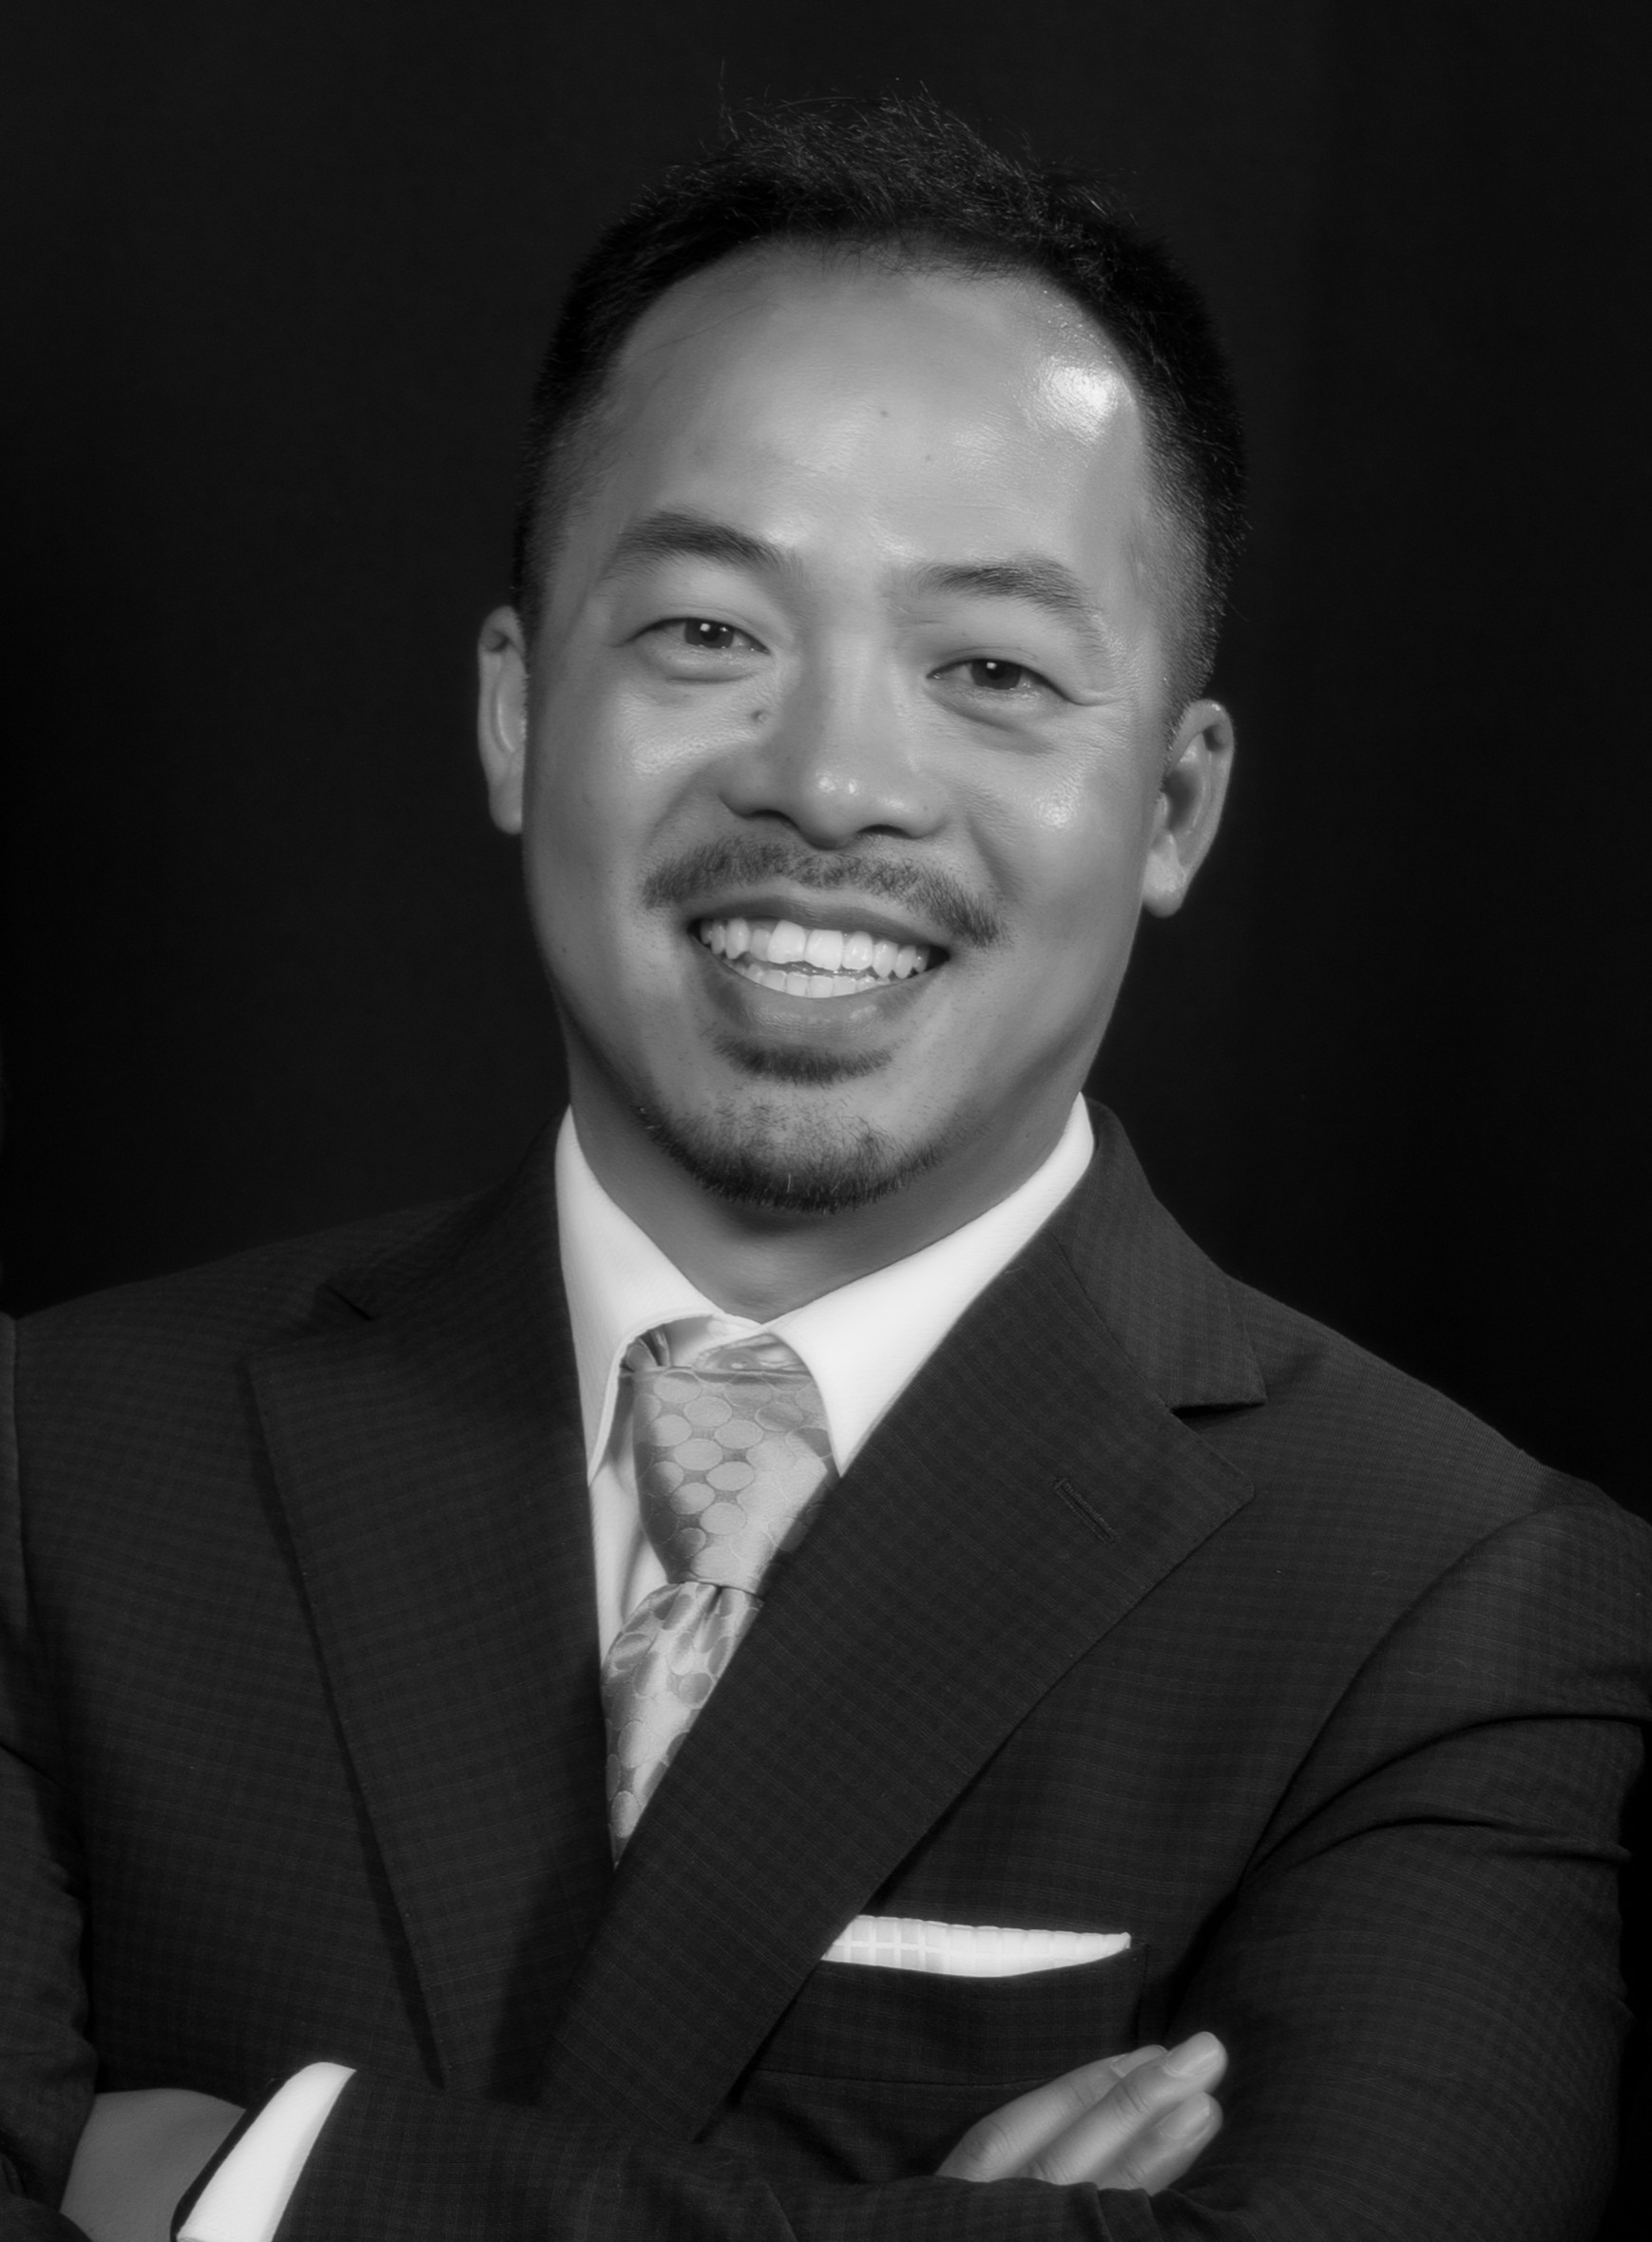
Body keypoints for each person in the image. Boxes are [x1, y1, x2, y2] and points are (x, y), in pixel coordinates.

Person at [2, 97, 1646, 2242]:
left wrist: (246, 2183)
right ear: (516, 714)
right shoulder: (51, 1465)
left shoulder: (1454, 1599)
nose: (835, 780)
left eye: (992, 669)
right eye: (708, 633)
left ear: (1171, 806)